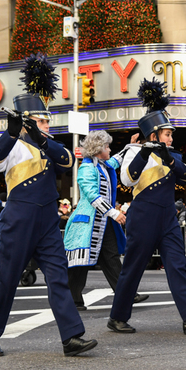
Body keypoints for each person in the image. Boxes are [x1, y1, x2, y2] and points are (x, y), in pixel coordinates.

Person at [0, 54, 97, 357]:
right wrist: (12, 132)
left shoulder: (48, 144)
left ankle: (71, 336)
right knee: (7, 278)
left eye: (47, 120)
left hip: (46, 220)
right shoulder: (10, 142)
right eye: (43, 121)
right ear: (29, 120)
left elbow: (68, 161)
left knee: (58, 276)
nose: (47, 124)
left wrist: (42, 139)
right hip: (19, 218)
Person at [106, 78, 186, 335]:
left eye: (171, 134)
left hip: (167, 218)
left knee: (177, 266)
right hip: (143, 216)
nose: (171, 137)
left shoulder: (172, 155)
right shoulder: (134, 152)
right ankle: (117, 317)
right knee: (133, 268)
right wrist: (145, 152)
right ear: (154, 135)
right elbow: (127, 179)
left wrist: (168, 158)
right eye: (167, 134)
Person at [63, 130, 148, 311]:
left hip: (101, 222)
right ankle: (73, 301)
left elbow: (117, 159)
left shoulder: (102, 165)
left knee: (111, 258)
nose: (110, 149)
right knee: (79, 264)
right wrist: (114, 213)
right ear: (98, 149)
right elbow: (92, 196)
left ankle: (127, 294)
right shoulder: (87, 168)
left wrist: (132, 145)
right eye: (107, 146)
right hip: (86, 224)